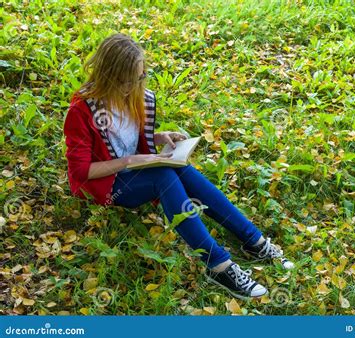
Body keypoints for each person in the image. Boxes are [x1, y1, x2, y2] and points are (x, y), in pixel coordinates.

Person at [63, 33, 294, 300]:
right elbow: (80, 173)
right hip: (106, 184)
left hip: (134, 169)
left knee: (180, 169)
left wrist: (159, 138)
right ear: (109, 75)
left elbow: (128, 139)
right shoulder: (82, 110)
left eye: (139, 78)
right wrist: (129, 161)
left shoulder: (137, 96)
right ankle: (219, 265)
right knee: (163, 176)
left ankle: (255, 242)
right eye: (126, 81)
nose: (133, 86)